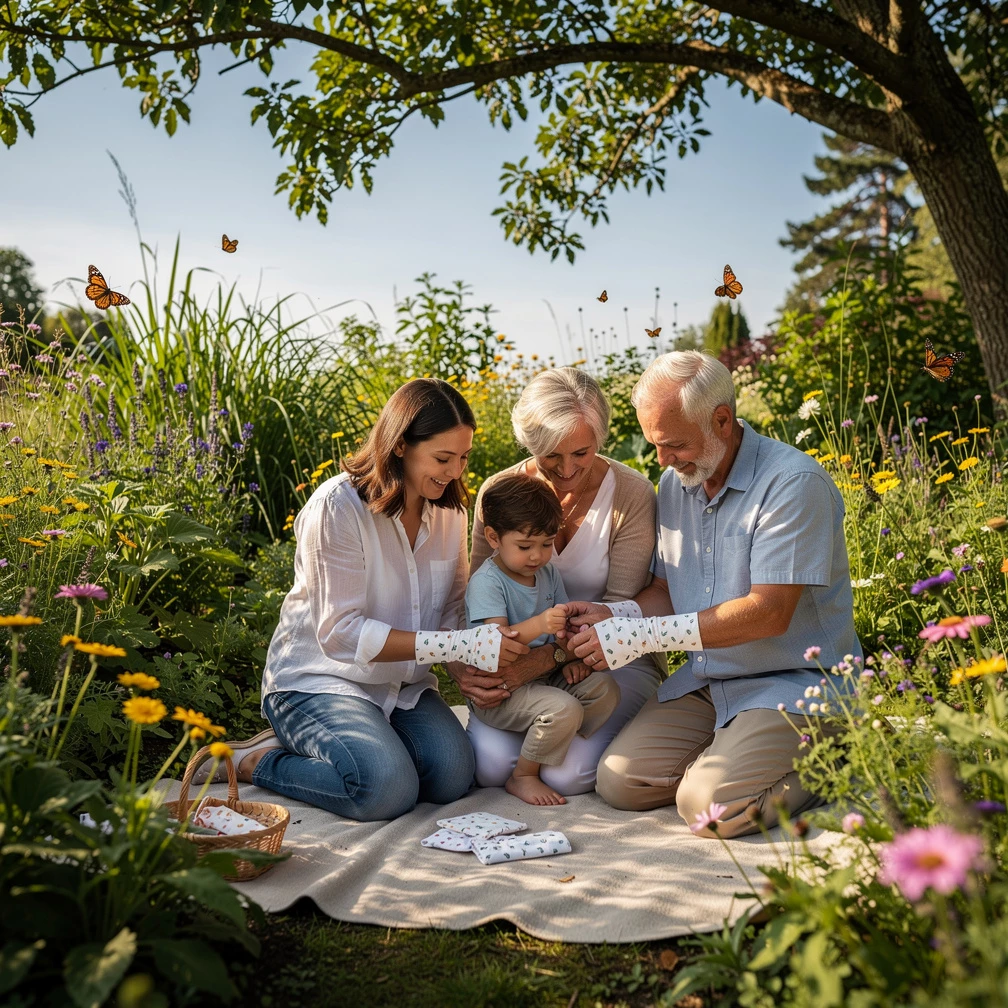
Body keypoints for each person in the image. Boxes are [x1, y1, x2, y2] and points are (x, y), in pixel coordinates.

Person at [196, 378, 527, 821]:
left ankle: (362, 746)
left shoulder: (451, 512)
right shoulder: (337, 507)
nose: (456, 472)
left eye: (463, 458)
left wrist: (462, 670)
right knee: (385, 790)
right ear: (399, 446)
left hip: (401, 686)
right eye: (443, 458)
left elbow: (451, 610)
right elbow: (340, 634)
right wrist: (455, 647)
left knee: (452, 778)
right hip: (318, 680)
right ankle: (256, 761)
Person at [567, 350, 862, 838]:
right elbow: (665, 589)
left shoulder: (793, 483)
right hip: (713, 680)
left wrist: (637, 639)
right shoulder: (676, 481)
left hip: (794, 682)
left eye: (674, 444)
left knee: (708, 808)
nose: (661, 460)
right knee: (620, 782)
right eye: (655, 445)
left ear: (722, 420)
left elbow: (768, 614)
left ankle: (843, 746)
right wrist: (613, 615)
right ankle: (738, 756)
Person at [450, 367, 663, 795]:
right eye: (550, 455)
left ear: (600, 440)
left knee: (568, 774)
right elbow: (474, 594)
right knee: (490, 768)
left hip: (611, 659)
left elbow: (617, 609)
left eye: (581, 453)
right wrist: (461, 666)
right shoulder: (500, 493)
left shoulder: (631, 494)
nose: (566, 470)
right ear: (530, 445)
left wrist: (544, 662)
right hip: (519, 656)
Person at [465, 472, 620, 805]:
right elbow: (493, 648)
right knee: (563, 708)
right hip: (502, 691)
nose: (537, 556)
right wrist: (538, 625)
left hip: (543, 678)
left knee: (604, 690)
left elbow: (562, 633)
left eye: (547, 544)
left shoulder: (547, 573)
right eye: (524, 546)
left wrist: (573, 660)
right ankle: (523, 775)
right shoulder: (487, 583)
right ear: (493, 537)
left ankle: (547, 737)